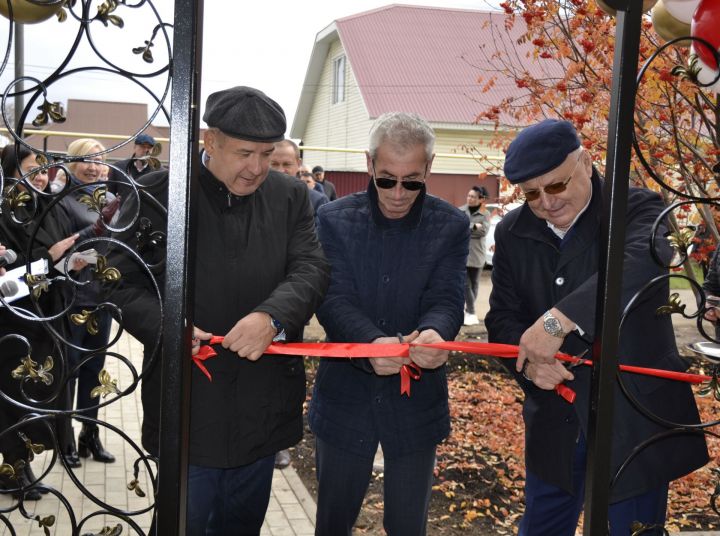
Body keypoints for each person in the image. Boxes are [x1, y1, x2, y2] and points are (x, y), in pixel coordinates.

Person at [106, 86, 330, 535]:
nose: (258, 168)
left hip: (262, 404)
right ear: (210, 141)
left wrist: (273, 317)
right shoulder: (159, 193)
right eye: (246, 153)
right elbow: (118, 283)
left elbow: (312, 268)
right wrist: (170, 328)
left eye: (267, 154)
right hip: (189, 403)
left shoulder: (289, 196)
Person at [485, 119, 708, 535]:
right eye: (531, 194)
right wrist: (531, 365)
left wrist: (557, 320)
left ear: (585, 162)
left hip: (632, 416)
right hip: (556, 419)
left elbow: (640, 262)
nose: (546, 203)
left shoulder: (638, 207)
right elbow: (501, 318)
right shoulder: (514, 232)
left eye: (555, 186)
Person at [309, 112, 469, 535]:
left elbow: (448, 298)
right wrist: (371, 343)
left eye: (412, 181)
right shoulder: (333, 219)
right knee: (332, 522)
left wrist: (437, 331)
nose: (398, 193)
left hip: (416, 400)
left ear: (429, 169)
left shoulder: (451, 225)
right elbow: (331, 298)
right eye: (387, 179)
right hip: (346, 395)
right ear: (369, 165)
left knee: (407, 525)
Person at [0, 144, 86, 500]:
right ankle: (13, 470)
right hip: (15, 323)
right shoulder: (5, 213)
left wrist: (71, 262)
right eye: (32, 168)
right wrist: (49, 259)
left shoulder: (46, 207)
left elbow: (54, 258)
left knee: (41, 395)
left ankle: (21, 466)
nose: (40, 175)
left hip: (49, 315)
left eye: (43, 169)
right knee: (15, 398)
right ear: (11, 173)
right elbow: (9, 280)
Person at [59, 138, 120, 468]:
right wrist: (92, 253)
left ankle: (89, 434)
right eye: (85, 159)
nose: (93, 165)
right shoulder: (61, 202)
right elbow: (56, 254)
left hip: (103, 298)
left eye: (98, 159)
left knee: (95, 371)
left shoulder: (112, 199)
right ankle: (64, 437)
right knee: (69, 370)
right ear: (71, 164)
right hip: (72, 299)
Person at [459, 185, 490, 326]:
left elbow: (483, 231)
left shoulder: (485, 213)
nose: (469, 198)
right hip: (462, 253)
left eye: (473, 196)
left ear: (480, 199)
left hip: (477, 254)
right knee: (465, 284)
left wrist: (468, 227)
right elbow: (458, 229)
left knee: (475, 284)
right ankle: (471, 311)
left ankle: (469, 311)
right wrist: (473, 226)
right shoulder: (460, 211)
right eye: (468, 195)